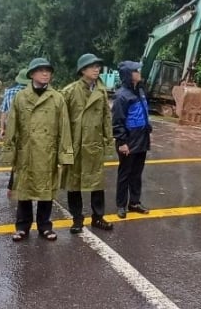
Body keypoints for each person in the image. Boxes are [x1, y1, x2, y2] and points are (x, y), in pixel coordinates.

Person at [1, 57, 74, 241]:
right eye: (41, 70)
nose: (45, 73)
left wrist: (64, 155)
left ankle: (45, 226)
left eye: (48, 71)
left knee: (46, 191)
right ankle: (22, 227)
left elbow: (64, 128)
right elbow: (12, 126)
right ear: (32, 74)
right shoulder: (20, 97)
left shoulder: (57, 98)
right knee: (24, 191)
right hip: (26, 151)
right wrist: (9, 151)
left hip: (48, 151)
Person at [61, 53, 114, 233]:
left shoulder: (101, 91)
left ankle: (98, 217)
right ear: (83, 70)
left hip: (94, 144)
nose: (96, 69)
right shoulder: (69, 92)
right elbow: (61, 120)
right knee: (73, 183)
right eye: (92, 66)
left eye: (98, 66)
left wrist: (108, 141)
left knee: (97, 183)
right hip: (75, 144)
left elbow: (106, 117)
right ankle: (77, 219)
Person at [112, 61, 152, 219]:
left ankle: (134, 202)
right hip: (128, 140)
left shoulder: (140, 90)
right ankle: (121, 205)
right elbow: (117, 121)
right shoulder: (122, 95)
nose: (139, 72)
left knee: (137, 173)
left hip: (142, 139)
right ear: (129, 75)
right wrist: (122, 142)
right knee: (125, 174)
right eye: (136, 70)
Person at [0, 68, 30, 194]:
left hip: (13, 129)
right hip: (29, 130)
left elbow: (4, 111)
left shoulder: (10, 92)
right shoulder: (33, 93)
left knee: (16, 157)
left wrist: (2, 128)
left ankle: (11, 187)